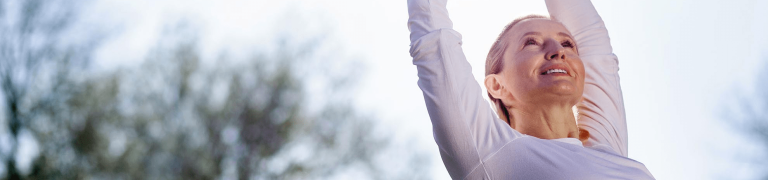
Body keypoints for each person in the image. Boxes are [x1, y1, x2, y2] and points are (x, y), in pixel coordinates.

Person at [406, 0, 655, 179]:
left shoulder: (607, 149)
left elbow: (592, 38)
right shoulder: (493, 154)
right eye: (532, 42)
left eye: (567, 43)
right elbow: (434, 42)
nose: (558, 51)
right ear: (497, 86)